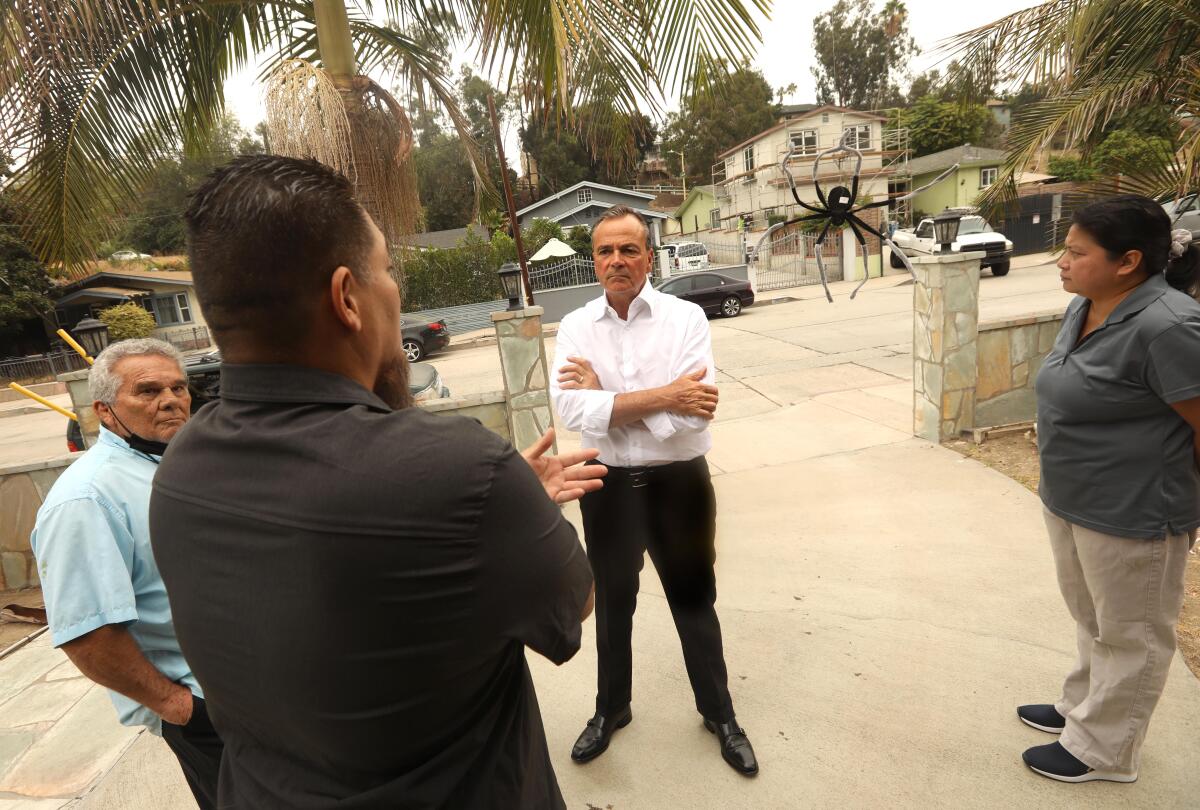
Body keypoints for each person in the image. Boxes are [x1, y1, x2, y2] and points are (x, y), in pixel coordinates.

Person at [150, 155, 603, 809]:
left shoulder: (179, 469)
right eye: (387, 270)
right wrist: (502, 502)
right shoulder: (465, 476)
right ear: (347, 298)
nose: (397, 290)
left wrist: (484, 508)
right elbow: (573, 605)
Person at [550, 205, 758, 776]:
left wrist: (609, 399)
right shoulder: (575, 328)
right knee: (614, 607)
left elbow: (696, 419)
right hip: (606, 486)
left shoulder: (686, 318)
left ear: (649, 255)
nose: (616, 261)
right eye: (604, 251)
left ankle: (719, 714)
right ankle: (611, 709)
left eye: (628, 250)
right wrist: (663, 397)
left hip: (680, 486)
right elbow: (572, 410)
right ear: (594, 260)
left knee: (695, 602)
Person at [1020, 194, 1200, 783]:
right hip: (1073, 498)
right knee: (1091, 616)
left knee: (1133, 631)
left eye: (1076, 252)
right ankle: (1081, 710)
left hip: (1134, 510)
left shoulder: (1167, 325)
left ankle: (1106, 750)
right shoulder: (1090, 304)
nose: (1061, 262)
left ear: (1127, 261)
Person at [30, 338, 222, 809]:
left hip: (259, 693)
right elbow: (87, 635)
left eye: (178, 387)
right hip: (209, 710)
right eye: (148, 390)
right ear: (105, 410)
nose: (171, 399)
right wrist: (181, 709)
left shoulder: (174, 465)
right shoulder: (87, 498)